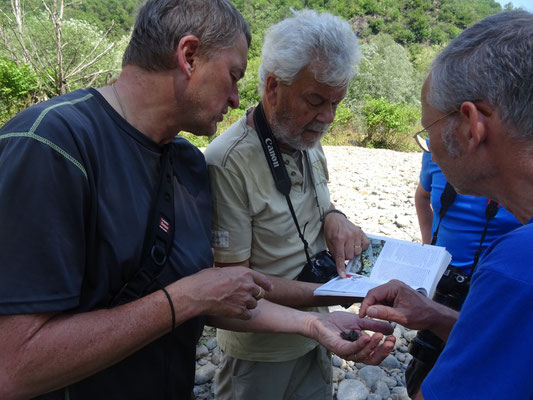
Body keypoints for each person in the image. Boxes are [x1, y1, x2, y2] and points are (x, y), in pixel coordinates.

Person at [0, 1, 396, 399]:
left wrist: (313, 324)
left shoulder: (187, 163)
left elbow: (214, 297)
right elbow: (13, 367)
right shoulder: (50, 145)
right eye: (233, 75)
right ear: (188, 56)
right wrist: (183, 298)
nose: (239, 99)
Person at [359, 10, 533, 399]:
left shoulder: (516, 265)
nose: (429, 147)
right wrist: (436, 315)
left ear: (471, 126)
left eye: (429, 130)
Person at [204, 10, 376, 400]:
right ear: (272, 87)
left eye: (336, 103)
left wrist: (336, 218)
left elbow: (320, 208)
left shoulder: (305, 140)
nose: (327, 118)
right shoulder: (227, 163)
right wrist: (333, 293)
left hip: (317, 336)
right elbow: (233, 287)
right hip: (259, 357)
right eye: (316, 100)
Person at [407, 152, 520, 395]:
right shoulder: (433, 150)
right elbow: (422, 196)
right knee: (424, 370)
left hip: (491, 289)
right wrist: (430, 250)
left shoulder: (515, 161)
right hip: (442, 283)